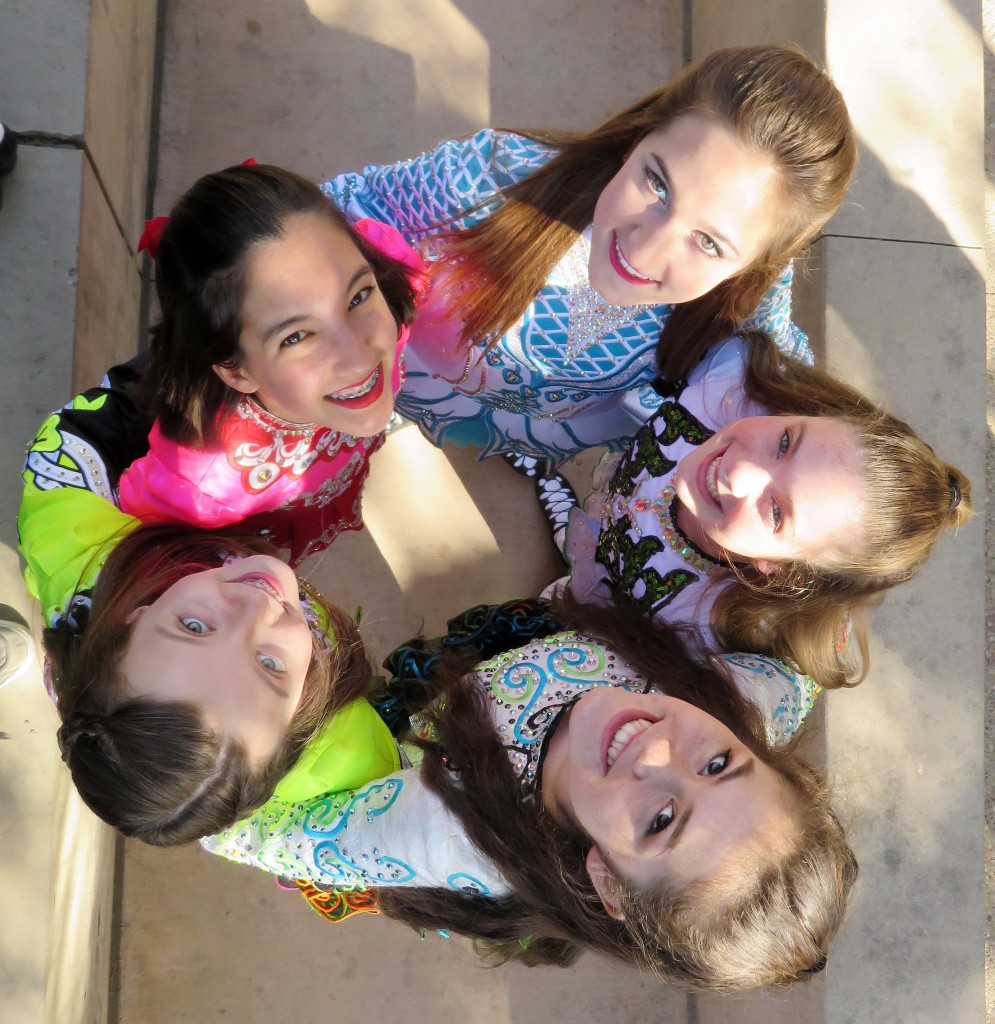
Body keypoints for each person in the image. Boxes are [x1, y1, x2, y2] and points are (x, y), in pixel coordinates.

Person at [204, 595, 853, 991]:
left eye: (659, 819)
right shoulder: (738, 705)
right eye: (718, 763)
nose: (659, 750)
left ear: (607, 882)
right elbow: (788, 682)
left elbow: (259, 830)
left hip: (429, 755)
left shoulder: (446, 830)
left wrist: (186, 771)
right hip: (507, 660)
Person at [323, 44, 856, 469]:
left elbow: (789, 391)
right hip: (386, 374)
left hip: (526, 434)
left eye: (709, 242)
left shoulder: (744, 308)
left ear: (755, 267)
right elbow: (341, 212)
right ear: (637, 139)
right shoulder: (494, 180)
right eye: (657, 182)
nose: (644, 251)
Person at [20, 374, 400, 844]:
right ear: (297, 732)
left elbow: (69, 447)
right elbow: (400, 801)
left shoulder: (78, 550)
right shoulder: (336, 750)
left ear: (130, 618)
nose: (254, 607)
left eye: (194, 626)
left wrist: (195, 376)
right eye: (269, 665)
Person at [554, 331, 971, 688]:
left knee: (567, 600)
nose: (738, 471)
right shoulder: (730, 387)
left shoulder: (701, 625)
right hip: (611, 509)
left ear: (783, 569)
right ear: (802, 411)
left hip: (609, 600)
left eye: (777, 512)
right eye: (785, 442)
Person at [117, 162, 425, 564]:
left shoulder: (386, 295)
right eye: (295, 337)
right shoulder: (198, 486)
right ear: (235, 370)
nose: (360, 358)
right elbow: (142, 551)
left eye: (357, 297)